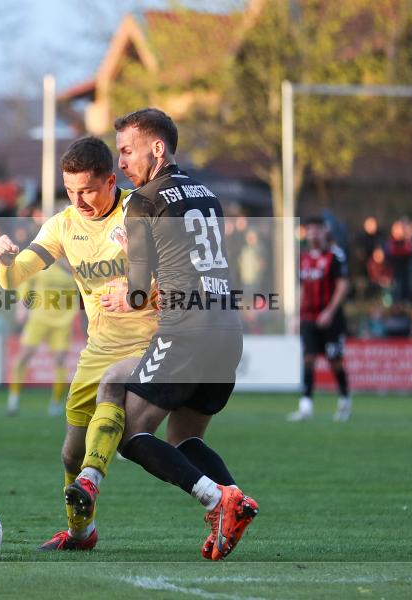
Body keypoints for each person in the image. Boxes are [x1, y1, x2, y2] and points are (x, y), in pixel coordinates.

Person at [100, 107, 258, 561]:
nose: (122, 163)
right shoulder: (207, 193)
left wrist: (122, 294)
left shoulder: (143, 201)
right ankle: (235, 501)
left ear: (158, 148)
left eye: (127, 151)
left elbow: (136, 288)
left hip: (187, 330)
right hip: (227, 329)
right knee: (184, 440)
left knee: (131, 434)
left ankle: (216, 500)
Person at [0, 137, 157, 551]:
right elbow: (18, 275)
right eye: (69, 190)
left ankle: (92, 478)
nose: (77, 200)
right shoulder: (64, 224)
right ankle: (81, 532)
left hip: (151, 342)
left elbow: (177, 277)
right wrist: (6, 264)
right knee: (70, 452)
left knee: (112, 398)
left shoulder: (141, 210)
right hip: (99, 347)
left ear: (110, 180)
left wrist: (142, 292)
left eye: (86, 190)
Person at [289, 216, 352, 422]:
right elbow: (301, 288)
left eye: (317, 229)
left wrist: (330, 312)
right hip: (309, 316)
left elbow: (343, 286)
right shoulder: (304, 258)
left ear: (325, 231)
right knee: (308, 359)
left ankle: (344, 399)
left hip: (331, 319)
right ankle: (305, 406)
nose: (313, 233)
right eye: (310, 229)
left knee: (334, 361)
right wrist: (296, 315)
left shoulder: (335, 256)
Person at [6, 259, 78, 417]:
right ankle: (14, 398)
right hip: (38, 318)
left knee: (60, 359)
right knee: (25, 355)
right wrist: (21, 308)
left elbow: (88, 289)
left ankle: (56, 403)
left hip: (63, 321)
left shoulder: (77, 266)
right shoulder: (41, 263)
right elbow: (25, 283)